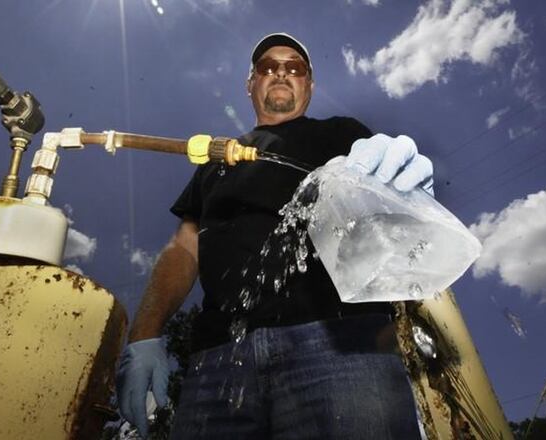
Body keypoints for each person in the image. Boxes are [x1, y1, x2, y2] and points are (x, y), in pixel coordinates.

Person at [116, 33, 432, 439]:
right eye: (268, 66)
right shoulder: (216, 161)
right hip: (217, 360)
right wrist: (144, 335)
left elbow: (385, 205)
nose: (281, 72)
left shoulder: (341, 134)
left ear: (309, 86)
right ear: (251, 84)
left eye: (295, 67)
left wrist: (404, 189)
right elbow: (184, 247)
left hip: (343, 345)